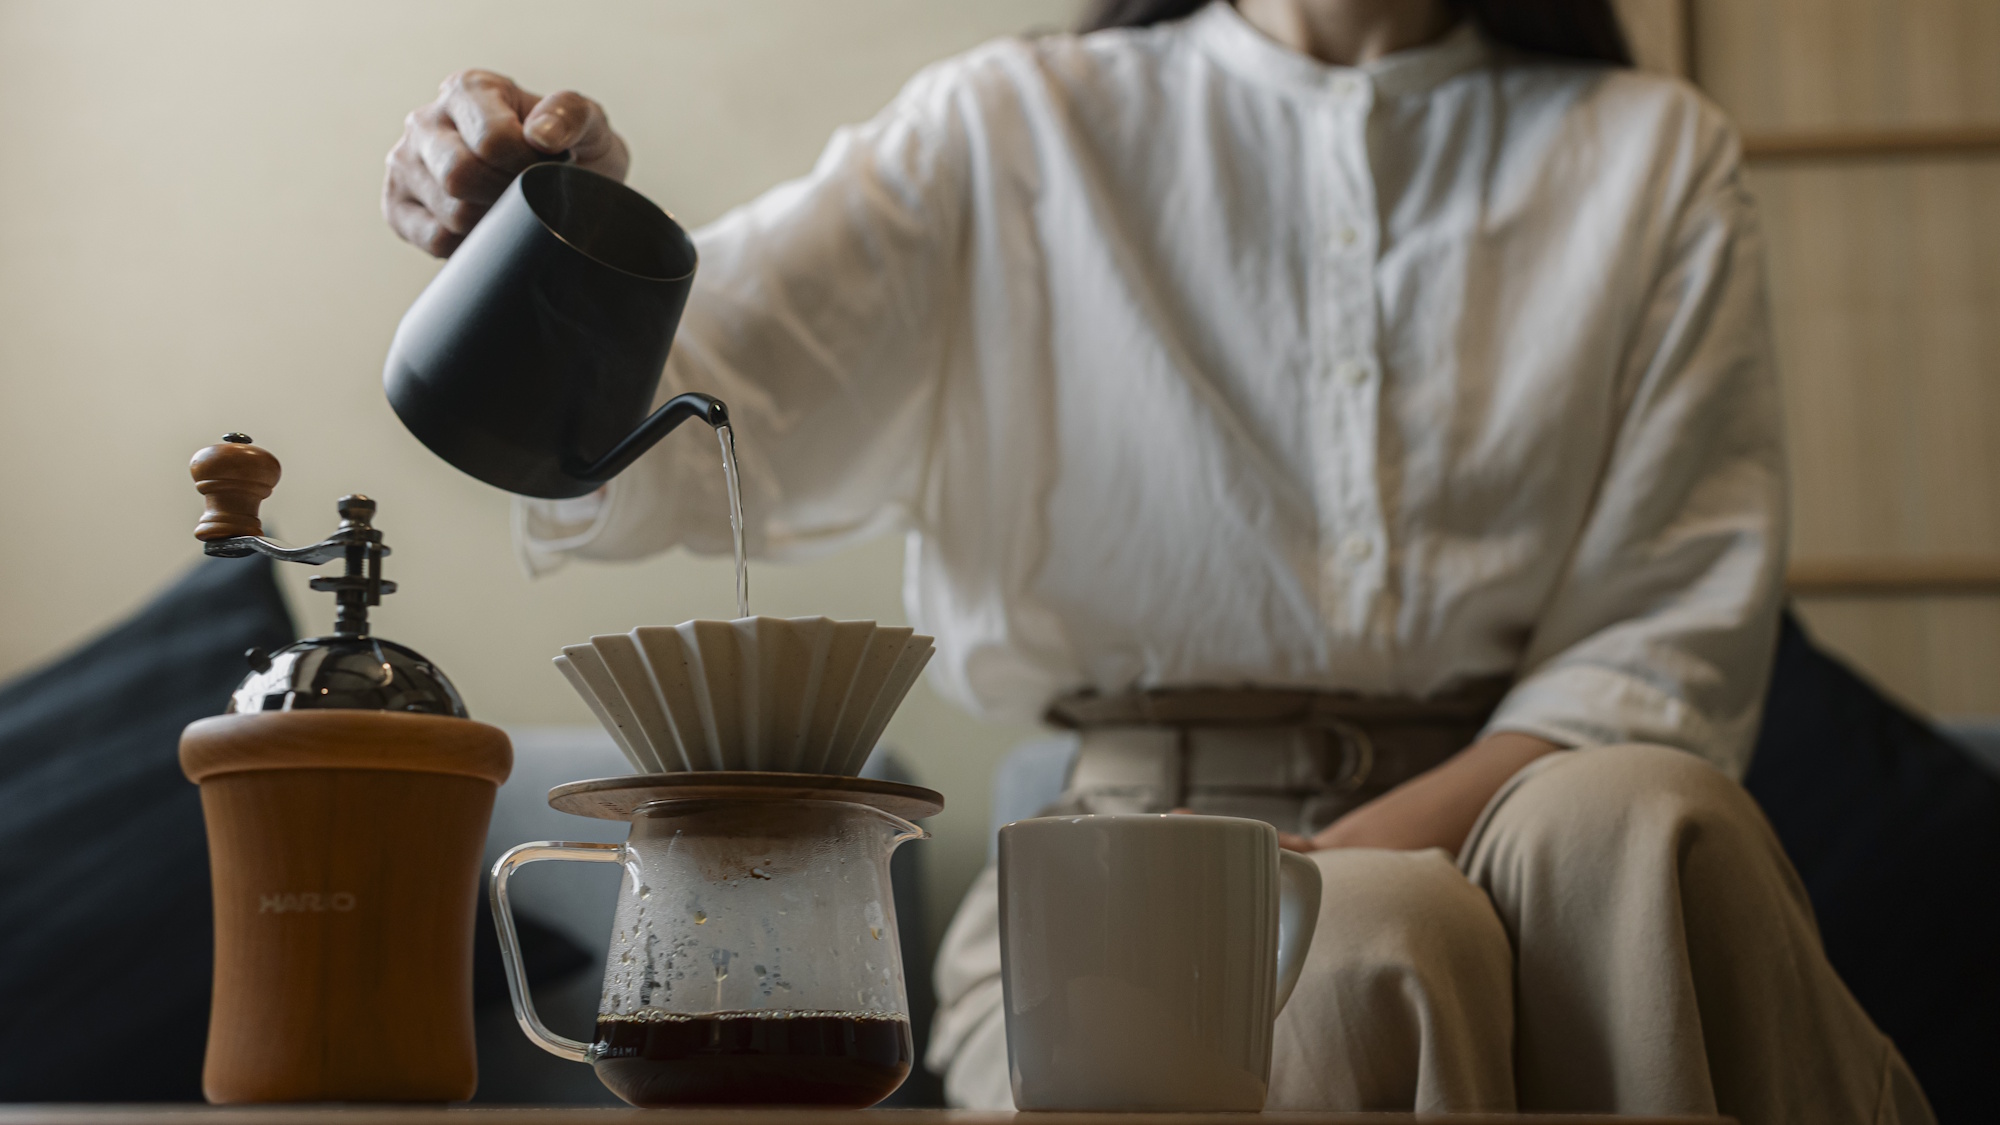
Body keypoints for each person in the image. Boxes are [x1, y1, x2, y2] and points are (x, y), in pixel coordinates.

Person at [383, 1, 1933, 1120]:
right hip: (1119, 868)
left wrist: (1347, 852)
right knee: (1386, 940)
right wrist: (526, 233)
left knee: (1651, 814)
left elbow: (1656, 653)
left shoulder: (1654, 157)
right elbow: (694, 407)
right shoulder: (1012, 131)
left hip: (1541, 836)